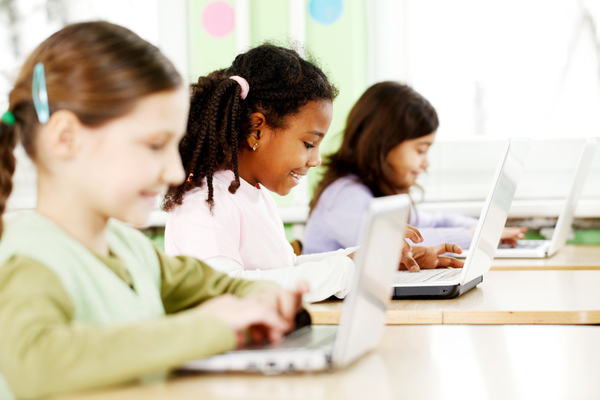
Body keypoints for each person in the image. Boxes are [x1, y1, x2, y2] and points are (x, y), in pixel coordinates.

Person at [0, 22, 306, 400]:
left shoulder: (132, 250)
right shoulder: (29, 260)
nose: (175, 172)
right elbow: (37, 364)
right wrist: (208, 326)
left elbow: (225, 286)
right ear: (66, 138)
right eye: (154, 144)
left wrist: (264, 298)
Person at [163, 45, 461, 304]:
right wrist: (355, 266)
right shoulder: (205, 202)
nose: (316, 159)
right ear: (257, 129)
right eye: (308, 144)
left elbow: (287, 268)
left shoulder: (251, 193)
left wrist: (373, 255)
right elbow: (227, 292)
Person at [305, 81, 526, 255]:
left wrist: (484, 229)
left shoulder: (377, 193)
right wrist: (471, 236)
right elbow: (393, 245)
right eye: (420, 150)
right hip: (331, 311)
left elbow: (439, 221)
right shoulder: (344, 196)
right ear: (384, 144)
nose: (426, 162)